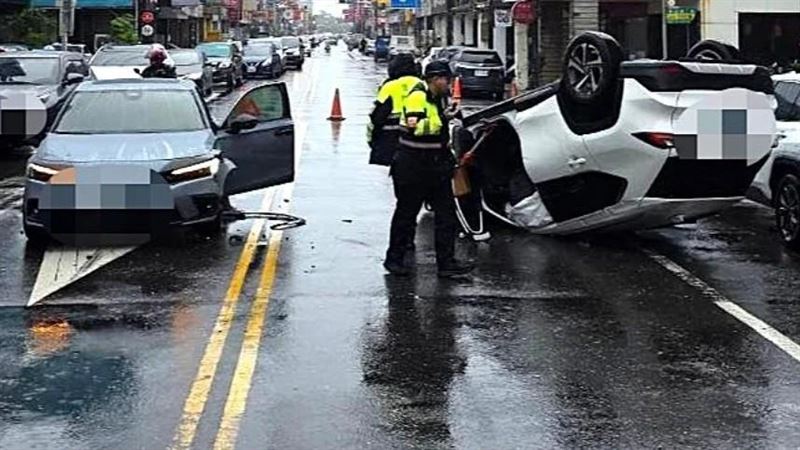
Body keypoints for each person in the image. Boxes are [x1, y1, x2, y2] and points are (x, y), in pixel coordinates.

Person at [384, 61, 473, 278]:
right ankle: (394, 260)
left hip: (435, 166)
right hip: (413, 167)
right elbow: (413, 126)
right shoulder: (417, 96)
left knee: (446, 215)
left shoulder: (437, 98)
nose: (449, 84)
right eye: (446, 80)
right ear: (434, 79)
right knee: (406, 214)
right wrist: (444, 119)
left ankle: (447, 263)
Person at [367, 53, 422, 166]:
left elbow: (376, 118)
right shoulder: (423, 85)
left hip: (392, 142)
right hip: (420, 143)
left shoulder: (389, 86)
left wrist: (373, 142)